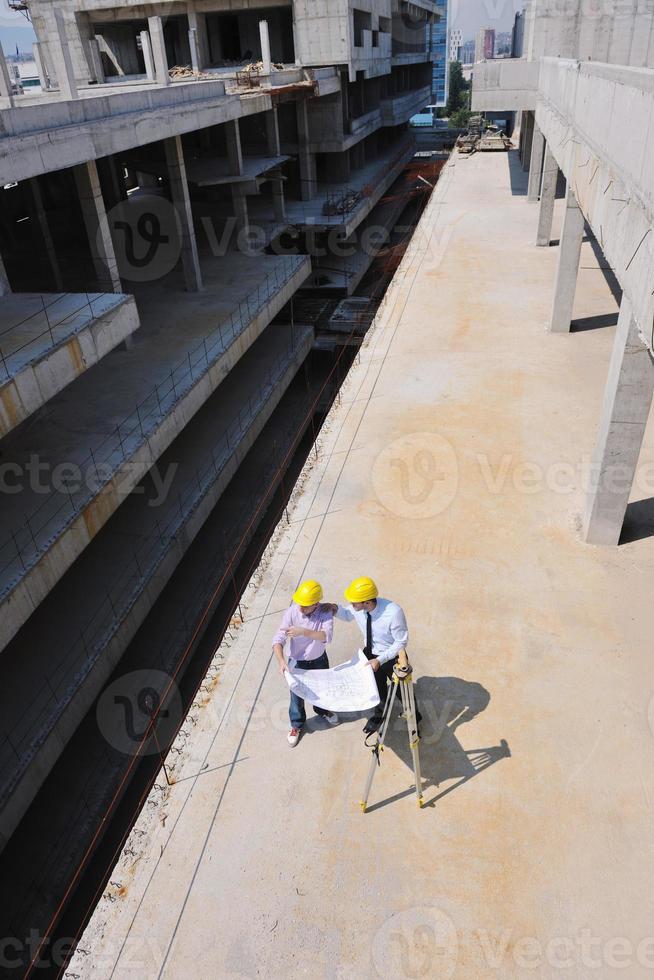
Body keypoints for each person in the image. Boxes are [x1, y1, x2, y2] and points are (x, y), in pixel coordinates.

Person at [326, 576, 421, 735]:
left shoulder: (393, 612)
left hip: (391, 657)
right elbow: (348, 614)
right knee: (375, 688)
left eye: (354, 602)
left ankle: (414, 719)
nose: (351, 605)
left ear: (367, 602)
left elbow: (401, 641)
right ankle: (379, 714)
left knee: (403, 692)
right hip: (370, 653)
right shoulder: (359, 608)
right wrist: (334, 608)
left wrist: (380, 660)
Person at [273, 579, 338, 747]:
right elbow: (278, 639)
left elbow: (326, 636)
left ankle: (322, 710)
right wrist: (281, 661)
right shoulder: (292, 612)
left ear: (316, 603)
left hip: (319, 660)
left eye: (306, 605)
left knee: (321, 690)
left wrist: (303, 631)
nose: (301, 608)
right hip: (297, 662)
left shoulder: (325, 612)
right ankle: (296, 725)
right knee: (296, 696)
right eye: (299, 603)